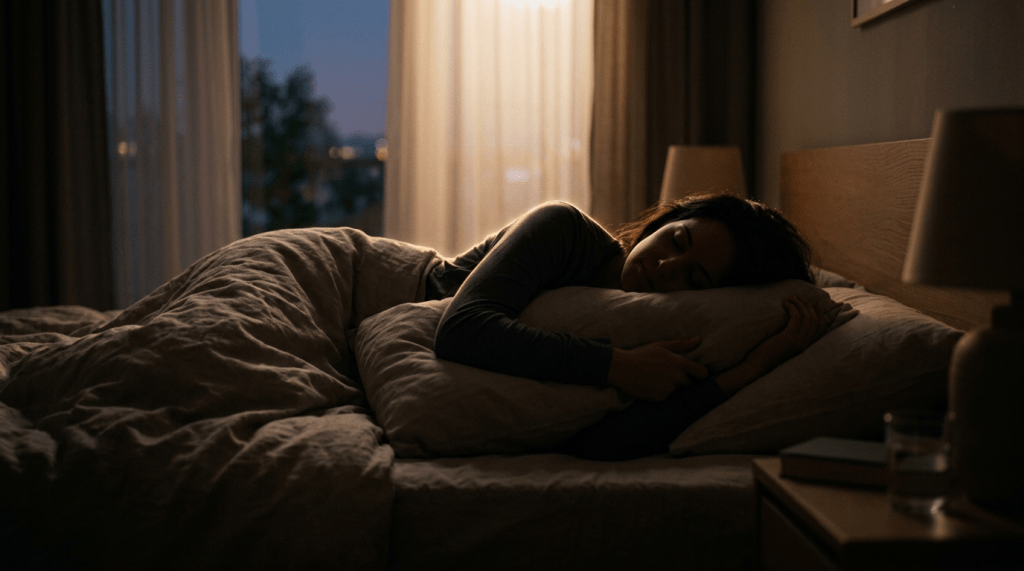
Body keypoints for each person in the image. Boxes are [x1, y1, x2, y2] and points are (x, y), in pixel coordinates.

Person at [427, 194, 828, 460]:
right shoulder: (563, 229)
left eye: (695, 278)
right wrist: (615, 365)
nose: (666, 266)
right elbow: (462, 328)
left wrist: (752, 368)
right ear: (664, 222)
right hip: (397, 281)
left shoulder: (665, 335)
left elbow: (603, 445)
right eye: (677, 240)